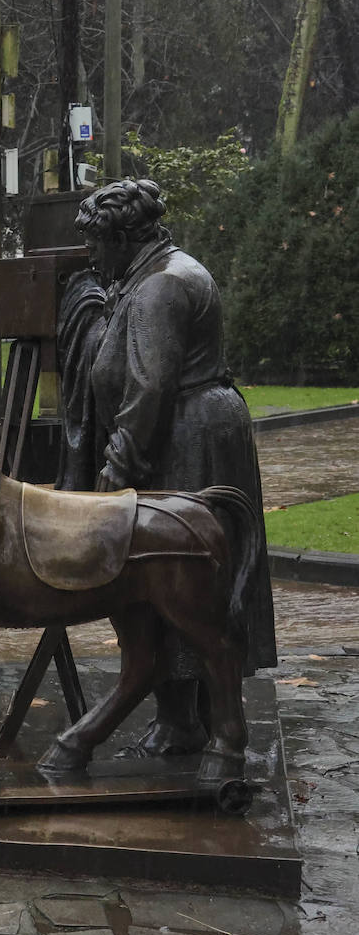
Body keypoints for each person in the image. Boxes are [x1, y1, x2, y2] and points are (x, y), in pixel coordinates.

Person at [74, 178, 276, 756]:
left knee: (182, 571)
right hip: (192, 424)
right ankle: (190, 717)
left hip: (187, 435)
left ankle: (197, 720)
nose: (90, 256)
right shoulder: (154, 273)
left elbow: (149, 388)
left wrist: (117, 467)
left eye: (95, 243)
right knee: (184, 572)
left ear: (121, 237)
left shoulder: (160, 286)